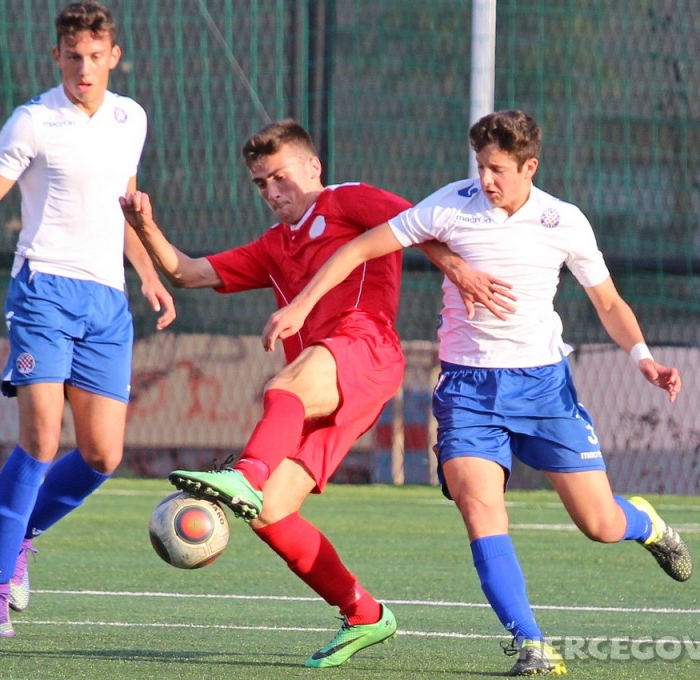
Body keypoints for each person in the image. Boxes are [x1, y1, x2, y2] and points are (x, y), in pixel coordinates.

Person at [262, 109, 693, 676]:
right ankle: (532, 644)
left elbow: (609, 304)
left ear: (529, 167)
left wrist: (644, 359)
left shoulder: (563, 221)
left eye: (497, 169)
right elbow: (358, 250)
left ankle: (648, 525)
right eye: (480, 166)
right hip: (466, 389)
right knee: (479, 506)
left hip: (543, 387)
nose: (485, 179)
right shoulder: (450, 204)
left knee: (600, 524)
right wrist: (299, 305)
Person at [120, 118, 508, 668]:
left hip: (365, 349)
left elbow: (421, 225)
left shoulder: (347, 201)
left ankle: (244, 475)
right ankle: (363, 612)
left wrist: (460, 269)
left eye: (280, 177)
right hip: (326, 384)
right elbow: (186, 272)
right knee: (272, 513)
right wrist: (144, 227)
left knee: (284, 385)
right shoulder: (274, 246)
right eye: (261, 184)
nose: (273, 192)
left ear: (312, 168)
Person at [0, 2, 175, 638]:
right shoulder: (32, 122)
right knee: (42, 440)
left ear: (113, 57)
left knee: (103, 455)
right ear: (57, 57)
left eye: (94, 56)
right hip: (42, 292)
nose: (83, 67)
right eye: (72, 56)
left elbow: (122, 207)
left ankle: (25, 538)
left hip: (106, 301)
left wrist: (150, 274)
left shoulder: (131, 118)